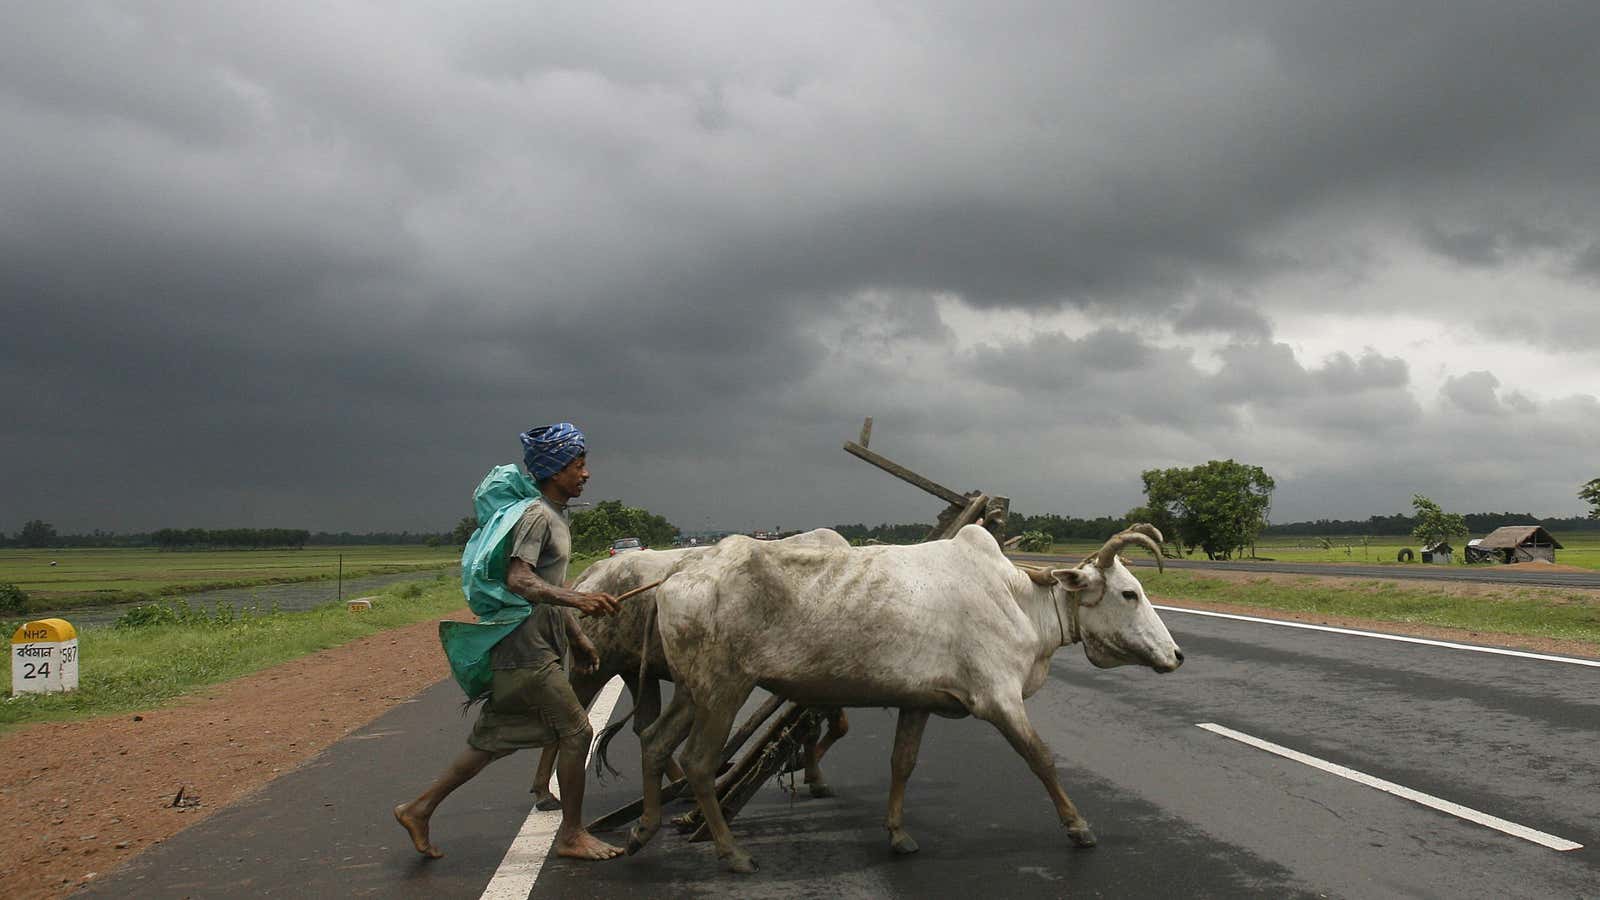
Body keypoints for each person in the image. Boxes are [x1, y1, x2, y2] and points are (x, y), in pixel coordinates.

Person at [396, 423, 624, 861]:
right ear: (555, 469)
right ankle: (572, 835)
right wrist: (578, 599)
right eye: (578, 465)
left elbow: (546, 583)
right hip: (524, 648)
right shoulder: (537, 516)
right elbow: (520, 579)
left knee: (493, 739)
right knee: (577, 731)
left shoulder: (555, 515)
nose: (586, 474)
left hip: (535, 643)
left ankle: (418, 809)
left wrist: (577, 635)